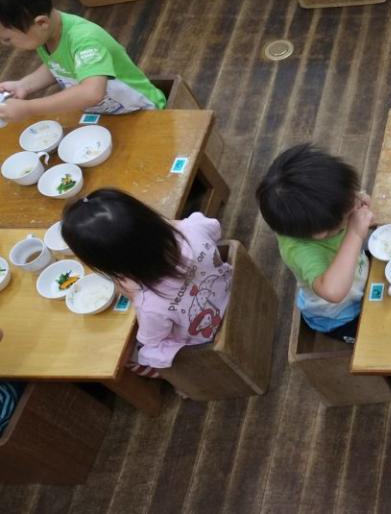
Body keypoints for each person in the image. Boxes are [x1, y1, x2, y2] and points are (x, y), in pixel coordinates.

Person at [61, 189, 232, 374]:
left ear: (110, 266)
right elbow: (214, 228)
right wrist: (176, 226)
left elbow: (153, 343)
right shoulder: (192, 229)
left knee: (133, 356)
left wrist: (134, 295)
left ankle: (182, 383)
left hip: (209, 337)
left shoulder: (149, 305)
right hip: (232, 292)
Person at [0, 0, 166, 122]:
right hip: (107, 115)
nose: (5, 44)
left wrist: (29, 109)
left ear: (41, 22)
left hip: (144, 112)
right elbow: (57, 66)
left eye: (7, 39)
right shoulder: (44, 33)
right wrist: (24, 85)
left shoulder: (85, 40)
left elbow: (92, 93)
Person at [257, 144, 372, 344]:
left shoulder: (322, 210)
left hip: (361, 279)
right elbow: (333, 291)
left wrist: (357, 200)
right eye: (347, 213)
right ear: (321, 233)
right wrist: (354, 233)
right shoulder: (300, 250)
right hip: (341, 314)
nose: (354, 203)